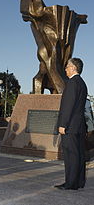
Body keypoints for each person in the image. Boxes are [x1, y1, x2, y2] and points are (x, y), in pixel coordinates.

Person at [55, 58, 88, 190]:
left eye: (67, 66)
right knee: (79, 154)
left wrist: (63, 124)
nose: (65, 69)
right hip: (79, 126)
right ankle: (79, 182)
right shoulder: (82, 83)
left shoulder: (72, 83)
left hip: (70, 127)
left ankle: (71, 184)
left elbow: (68, 106)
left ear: (74, 68)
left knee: (71, 156)